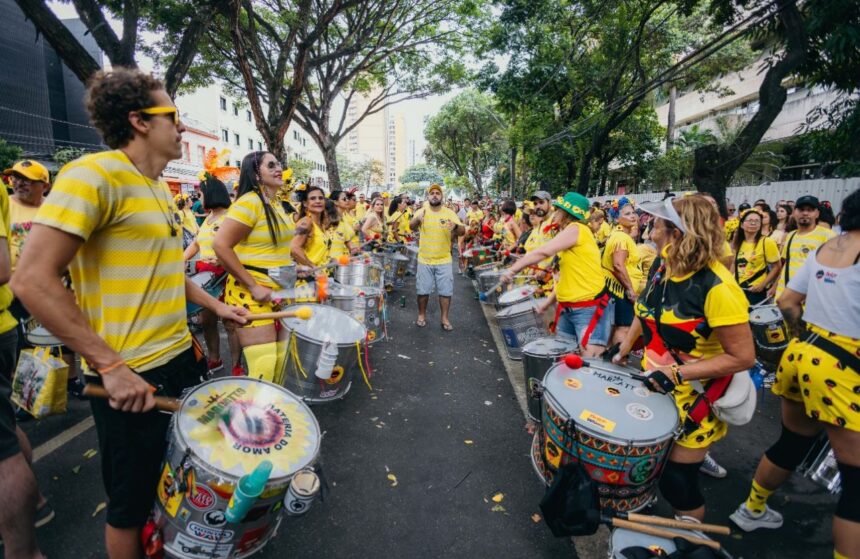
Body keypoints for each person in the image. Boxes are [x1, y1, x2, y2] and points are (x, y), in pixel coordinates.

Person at [11, 68, 247, 559]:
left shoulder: (158, 188)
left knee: (177, 482)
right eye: (173, 117)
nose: (181, 128)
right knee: (130, 503)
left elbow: (163, 271)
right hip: (130, 370)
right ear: (139, 121)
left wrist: (216, 304)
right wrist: (112, 366)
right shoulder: (92, 175)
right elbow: (32, 279)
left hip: (180, 357)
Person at [729, 189, 860, 559]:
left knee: (792, 442)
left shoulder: (826, 248)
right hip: (843, 367)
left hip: (802, 354)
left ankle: (752, 509)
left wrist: (805, 338)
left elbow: (787, 301)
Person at [612, 196, 755, 521]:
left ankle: (690, 537)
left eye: (658, 223)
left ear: (677, 232)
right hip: (654, 389)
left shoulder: (718, 287)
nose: (650, 227)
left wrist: (676, 375)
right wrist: (622, 350)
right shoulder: (664, 266)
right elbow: (644, 311)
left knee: (679, 483)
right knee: (648, 468)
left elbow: (743, 357)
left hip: (695, 401)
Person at [213, 151, 293, 378]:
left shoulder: (276, 204)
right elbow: (220, 246)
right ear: (255, 174)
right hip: (250, 294)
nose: (279, 168)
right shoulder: (249, 203)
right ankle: (253, 413)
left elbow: (275, 250)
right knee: (264, 367)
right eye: (271, 165)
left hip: (277, 293)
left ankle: (269, 413)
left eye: (278, 163)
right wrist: (253, 286)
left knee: (279, 365)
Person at [501, 193, 610, 357]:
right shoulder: (567, 235)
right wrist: (547, 303)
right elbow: (563, 278)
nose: (553, 214)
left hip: (588, 308)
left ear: (566, 213)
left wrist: (513, 269)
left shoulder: (577, 229)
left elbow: (544, 251)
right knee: (565, 360)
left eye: (557, 210)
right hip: (567, 307)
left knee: (590, 363)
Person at [0, 179, 46, 559]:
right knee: (7, 427)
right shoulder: (7, 199)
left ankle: (23, 550)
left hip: (11, 307)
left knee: (3, 450)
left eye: (29, 181)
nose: (20, 185)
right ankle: (37, 500)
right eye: (17, 179)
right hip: (11, 309)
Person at [183, 177, 239, 373]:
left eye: (201, 194)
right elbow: (197, 243)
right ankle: (215, 359)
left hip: (226, 275)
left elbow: (239, 246)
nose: (199, 198)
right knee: (207, 321)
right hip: (206, 275)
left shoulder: (232, 216)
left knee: (229, 323)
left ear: (211, 194)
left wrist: (223, 260)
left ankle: (236, 366)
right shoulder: (208, 218)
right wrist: (181, 258)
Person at [410, 183, 464, 330]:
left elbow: (462, 231)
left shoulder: (449, 213)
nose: (435, 195)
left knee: (446, 291)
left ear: (442, 197)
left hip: (444, 259)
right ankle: (421, 315)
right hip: (424, 259)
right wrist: (417, 219)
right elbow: (411, 226)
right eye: (432, 193)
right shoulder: (422, 211)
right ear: (428, 196)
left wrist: (455, 227)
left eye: (437, 193)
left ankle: (445, 318)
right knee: (422, 291)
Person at [770, 195, 836, 302]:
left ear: (817, 213)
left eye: (810, 210)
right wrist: (775, 286)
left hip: (808, 299)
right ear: (794, 213)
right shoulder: (791, 235)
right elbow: (787, 264)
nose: (805, 213)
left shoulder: (828, 236)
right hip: (784, 294)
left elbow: (833, 270)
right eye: (801, 210)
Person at [601, 198, 643, 346]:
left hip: (619, 288)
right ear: (618, 218)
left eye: (633, 213)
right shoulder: (621, 238)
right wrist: (630, 289)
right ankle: (619, 360)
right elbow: (618, 265)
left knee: (617, 326)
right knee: (624, 327)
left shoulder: (621, 235)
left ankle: (613, 358)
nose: (633, 216)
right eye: (627, 214)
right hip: (621, 289)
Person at [730, 208, 780, 305]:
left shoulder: (767, 242)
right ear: (742, 224)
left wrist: (762, 285)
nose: (753, 223)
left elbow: (777, 267)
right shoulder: (738, 242)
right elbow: (734, 263)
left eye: (757, 221)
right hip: (738, 288)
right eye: (750, 220)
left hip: (756, 291)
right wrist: (729, 281)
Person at [291, 185, 330, 268]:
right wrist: (312, 267)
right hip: (308, 278)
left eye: (321, 198)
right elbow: (293, 248)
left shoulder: (321, 224)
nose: (318, 201)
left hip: (322, 276)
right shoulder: (306, 222)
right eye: (313, 198)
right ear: (305, 203)